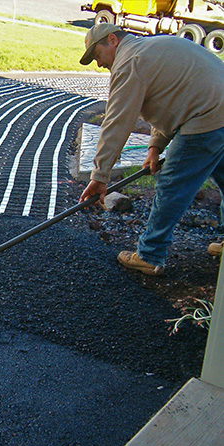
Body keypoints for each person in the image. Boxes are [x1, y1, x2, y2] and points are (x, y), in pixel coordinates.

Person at [78, 23, 224, 275]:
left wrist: (100, 176)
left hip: (207, 117)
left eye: (97, 55)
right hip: (216, 110)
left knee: (171, 184)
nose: (99, 64)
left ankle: (150, 255)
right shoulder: (151, 49)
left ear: (112, 40)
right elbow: (172, 100)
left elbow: (117, 122)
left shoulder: (129, 63)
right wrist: (155, 147)